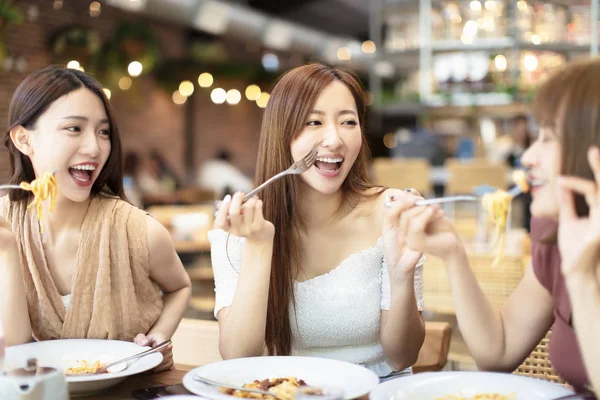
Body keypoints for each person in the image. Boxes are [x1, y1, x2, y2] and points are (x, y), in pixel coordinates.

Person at [210, 63, 436, 379]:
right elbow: (237, 357)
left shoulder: (392, 213)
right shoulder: (241, 227)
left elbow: (402, 355)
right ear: (281, 132)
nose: (334, 139)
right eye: (314, 121)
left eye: (348, 122)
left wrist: (402, 273)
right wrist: (260, 246)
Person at [394, 59, 600, 391]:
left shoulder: (570, 249)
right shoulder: (555, 236)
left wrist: (581, 278)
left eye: (548, 138)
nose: (529, 157)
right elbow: (498, 350)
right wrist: (453, 254)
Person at [0, 66, 191, 371]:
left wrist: (158, 336)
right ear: (24, 140)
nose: (94, 147)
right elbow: (14, 349)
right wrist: (7, 249)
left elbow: (180, 286)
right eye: (74, 128)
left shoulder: (139, 230)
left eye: (103, 132)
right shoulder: (4, 221)